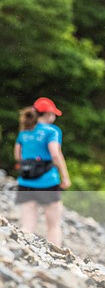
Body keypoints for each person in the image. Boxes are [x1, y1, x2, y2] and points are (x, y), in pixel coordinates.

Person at [13, 97, 72, 247]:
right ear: (49, 114)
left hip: (25, 182)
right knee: (53, 226)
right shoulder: (52, 131)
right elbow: (55, 154)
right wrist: (65, 176)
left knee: (27, 225)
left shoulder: (24, 132)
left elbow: (18, 156)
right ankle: (55, 256)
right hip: (48, 182)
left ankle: (21, 251)